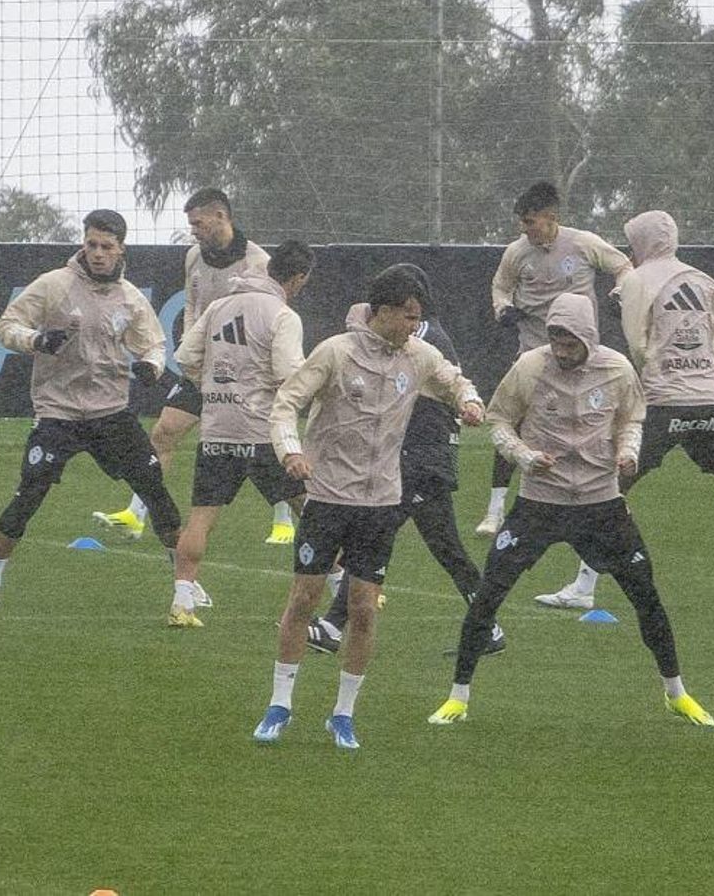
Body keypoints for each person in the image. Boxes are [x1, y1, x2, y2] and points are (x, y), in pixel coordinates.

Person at [428, 293, 714, 729]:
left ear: (588, 337)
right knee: (488, 595)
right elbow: (498, 421)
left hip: (602, 504)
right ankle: (457, 697)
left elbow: (631, 420)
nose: (561, 351)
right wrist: (524, 457)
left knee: (647, 597)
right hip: (539, 504)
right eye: (556, 341)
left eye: (570, 343)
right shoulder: (529, 367)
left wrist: (628, 453)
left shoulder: (617, 369)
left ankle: (677, 693)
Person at [251, 265, 485, 750]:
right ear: (381, 312)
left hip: (380, 502)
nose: (414, 326)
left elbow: (455, 380)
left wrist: (470, 402)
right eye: (408, 316)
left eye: (418, 318)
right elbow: (285, 404)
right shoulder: (336, 352)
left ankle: (343, 714)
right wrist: (291, 452)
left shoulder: (419, 356)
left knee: (363, 609)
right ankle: (280, 704)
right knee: (303, 599)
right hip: (328, 498)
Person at [543, 210, 714, 610]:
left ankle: (583, 587)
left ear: (642, 242)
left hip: (663, 403)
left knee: (609, 489)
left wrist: (658, 372)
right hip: (710, 404)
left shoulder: (636, 281)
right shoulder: (705, 280)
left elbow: (637, 344)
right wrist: (706, 370)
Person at [0, 210, 182, 609]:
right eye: (91, 244)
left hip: (111, 412)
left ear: (121, 249)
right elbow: (7, 326)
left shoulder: (131, 298)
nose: (98, 253)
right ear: (83, 244)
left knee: (155, 491)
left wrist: (151, 367)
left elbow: (154, 344)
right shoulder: (54, 284)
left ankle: (184, 584)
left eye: (106, 246)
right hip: (58, 412)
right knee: (28, 495)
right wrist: (36, 340)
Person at [306, 265, 506, 656]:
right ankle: (488, 627)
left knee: (379, 539)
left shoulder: (418, 338)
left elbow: (439, 384)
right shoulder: (426, 332)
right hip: (421, 454)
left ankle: (331, 625)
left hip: (419, 456)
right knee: (444, 548)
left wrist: (466, 403)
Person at [94, 189, 291, 544]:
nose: (193, 230)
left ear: (221, 216)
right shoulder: (193, 256)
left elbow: (273, 318)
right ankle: (136, 514)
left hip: (245, 374)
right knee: (164, 432)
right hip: (204, 369)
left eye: (198, 223)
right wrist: (191, 345)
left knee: (261, 446)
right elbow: (192, 303)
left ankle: (284, 519)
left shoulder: (258, 262)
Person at [166, 240, 315, 627]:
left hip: (217, 429)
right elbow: (288, 374)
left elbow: (185, 357)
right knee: (313, 511)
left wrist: (215, 389)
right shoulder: (283, 315)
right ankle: (344, 588)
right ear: (299, 278)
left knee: (201, 519)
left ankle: (182, 602)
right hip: (262, 433)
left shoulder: (219, 306)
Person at [475, 181, 632, 538]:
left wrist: (619, 293)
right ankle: (494, 511)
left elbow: (623, 266)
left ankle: (606, 500)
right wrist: (503, 308)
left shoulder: (583, 243)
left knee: (595, 427)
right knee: (512, 423)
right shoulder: (516, 252)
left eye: (530, 221)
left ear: (550, 217)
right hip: (533, 354)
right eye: (522, 222)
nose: (524, 229)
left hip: (583, 359)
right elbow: (501, 286)